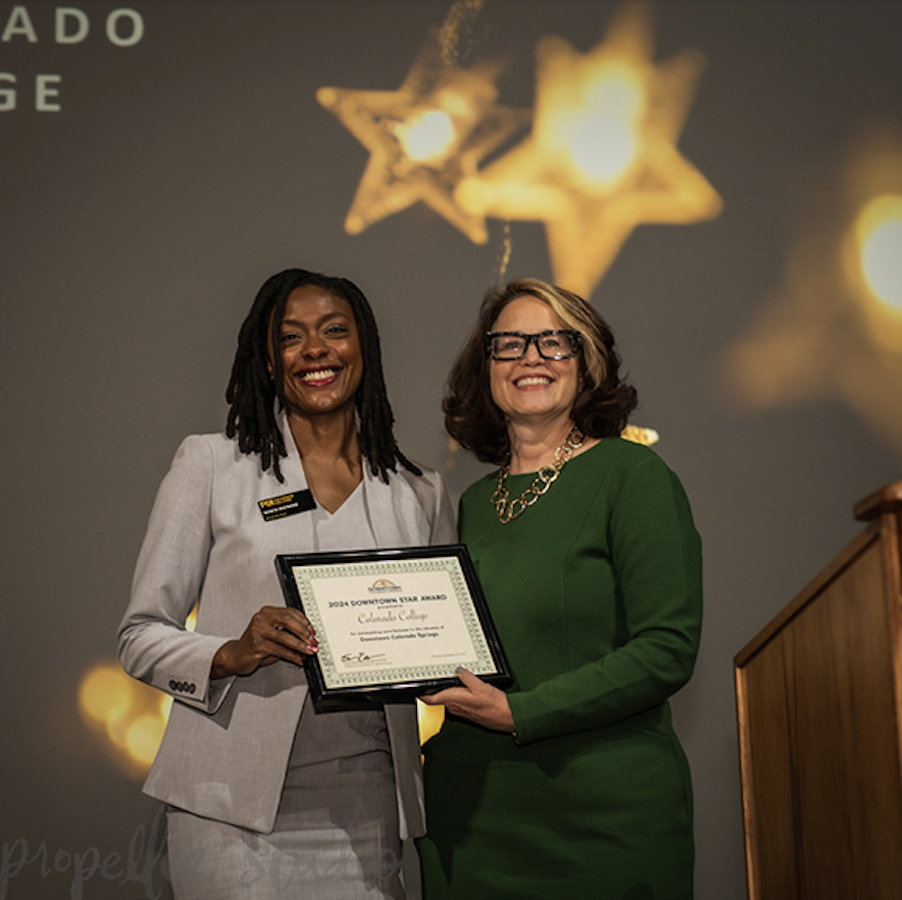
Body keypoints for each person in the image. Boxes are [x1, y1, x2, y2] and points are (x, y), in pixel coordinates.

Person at [118, 268, 455, 900]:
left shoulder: (420, 492)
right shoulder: (212, 464)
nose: (316, 350)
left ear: (364, 348)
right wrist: (228, 651)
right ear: (270, 362)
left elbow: (437, 640)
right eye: (292, 337)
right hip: (228, 806)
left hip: (368, 804)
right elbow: (140, 636)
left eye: (334, 331)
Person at [416, 277, 702, 899]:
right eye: (509, 344)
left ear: (587, 361)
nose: (531, 358)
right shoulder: (467, 505)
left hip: (602, 824)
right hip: (471, 822)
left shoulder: (632, 475)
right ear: (485, 367)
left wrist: (521, 712)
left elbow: (667, 648)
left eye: (554, 342)